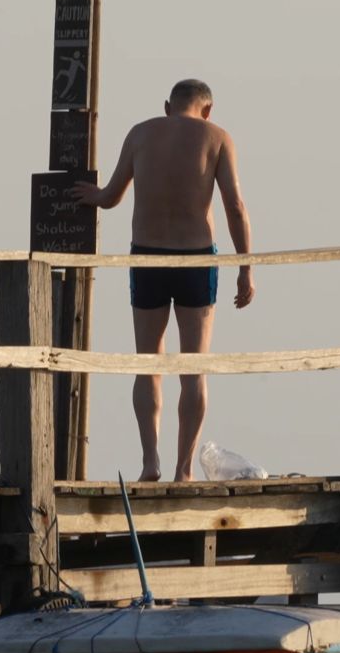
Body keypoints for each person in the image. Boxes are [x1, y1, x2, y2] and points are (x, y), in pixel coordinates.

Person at [71, 79, 254, 482]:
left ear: (168, 106)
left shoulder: (140, 133)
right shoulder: (217, 137)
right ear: (208, 109)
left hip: (147, 256)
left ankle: (149, 461)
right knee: (193, 368)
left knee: (148, 364)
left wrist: (89, 194)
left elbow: (110, 197)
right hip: (195, 259)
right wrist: (246, 267)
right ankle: (183, 470)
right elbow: (236, 207)